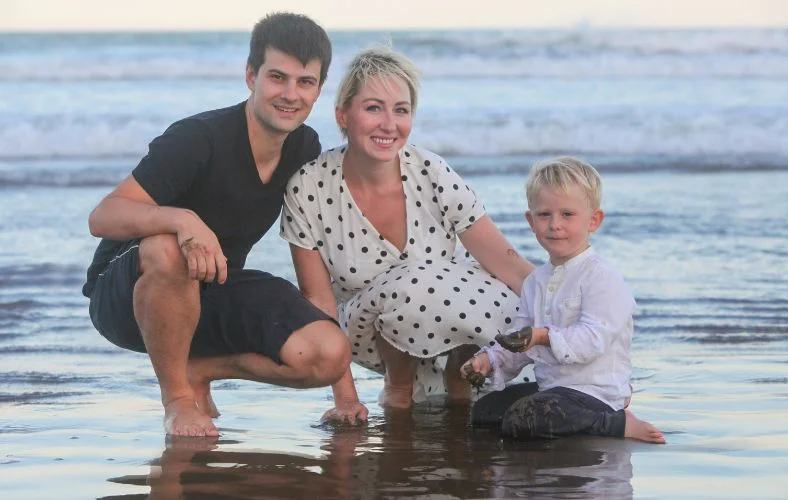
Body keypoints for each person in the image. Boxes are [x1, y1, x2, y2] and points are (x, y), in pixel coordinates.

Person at [82, 12, 357, 437]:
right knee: (169, 248)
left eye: (305, 82)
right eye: (277, 77)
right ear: (251, 75)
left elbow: (312, 264)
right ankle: (177, 401)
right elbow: (103, 217)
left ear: (319, 88)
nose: (290, 94)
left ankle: (200, 369)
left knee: (327, 352)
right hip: (126, 298)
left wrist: (346, 397)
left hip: (214, 290)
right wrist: (181, 218)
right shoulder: (198, 139)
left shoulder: (305, 147)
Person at [280, 44, 534, 417]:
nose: (389, 124)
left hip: (450, 317)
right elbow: (319, 302)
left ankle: (461, 379)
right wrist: (346, 399)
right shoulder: (308, 187)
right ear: (343, 115)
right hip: (365, 329)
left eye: (401, 110)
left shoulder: (432, 171)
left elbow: (508, 265)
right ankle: (397, 386)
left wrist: (575, 324)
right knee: (410, 281)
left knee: (515, 304)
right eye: (373, 108)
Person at [460, 156, 666, 443]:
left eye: (567, 215)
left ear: (593, 220)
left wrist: (543, 336)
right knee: (484, 413)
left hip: (594, 393)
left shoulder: (601, 277)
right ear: (531, 221)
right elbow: (519, 341)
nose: (555, 225)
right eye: (544, 215)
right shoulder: (535, 281)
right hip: (554, 390)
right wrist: (489, 360)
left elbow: (592, 340)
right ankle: (567, 422)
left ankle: (616, 422)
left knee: (525, 419)